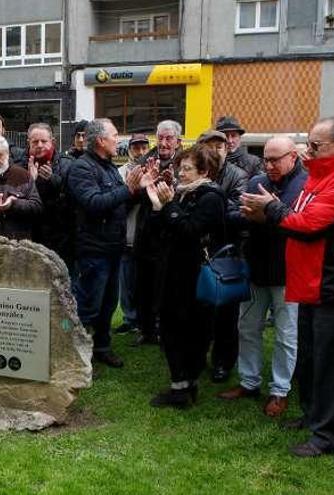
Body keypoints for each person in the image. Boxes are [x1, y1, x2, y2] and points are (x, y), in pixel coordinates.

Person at [242, 118, 334, 457]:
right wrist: (275, 212)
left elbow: (307, 223)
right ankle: (312, 417)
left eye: (316, 146)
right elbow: (296, 216)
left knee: (331, 362)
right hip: (311, 281)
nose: (309, 152)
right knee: (309, 357)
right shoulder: (320, 175)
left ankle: (327, 435)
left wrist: (270, 209)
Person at [218, 136, 306, 418]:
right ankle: (249, 381)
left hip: (288, 271)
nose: (269, 165)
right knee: (247, 327)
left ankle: (280, 390)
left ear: (292, 156)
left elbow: (300, 224)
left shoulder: (305, 184)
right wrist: (255, 215)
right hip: (256, 268)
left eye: (275, 159)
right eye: (266, 159)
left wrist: (266, 215)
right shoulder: (259, 180)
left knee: (286, 334)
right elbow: (233, 213)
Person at [146, 145, 227, 408]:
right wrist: (158, 208)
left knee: (190, 332)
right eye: (180, 167)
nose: (180, 173)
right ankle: (180, 385)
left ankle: (184, 387)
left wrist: (169, 207)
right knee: (171, 330)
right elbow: (162, 232)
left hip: (194, 277)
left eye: (187, 169)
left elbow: (191, 231)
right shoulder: (182, 194)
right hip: (173, 273)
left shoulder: (211, 197)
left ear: (204, 171)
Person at [67, 118, 146, 368]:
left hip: (113, 250)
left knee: (108, 305)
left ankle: (101, 347)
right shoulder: (82, 168)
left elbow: (119, 203)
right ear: (100, 140)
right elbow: (94, 203)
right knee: (86, 307)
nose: (118, 140)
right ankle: (73, 354)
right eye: (114, 135)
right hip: (93, 252)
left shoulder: (110, 167)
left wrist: (141, 189)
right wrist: (128, 189)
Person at [198, 129, 248, 383]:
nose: (216, 150)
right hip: (197, 250)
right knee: (200, 310)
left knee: (226, 313)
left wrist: (209, 206)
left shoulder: (237, 175)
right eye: (210, 146)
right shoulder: (194, 169)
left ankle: (223, 362)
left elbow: (238, 211)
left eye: (220, 146)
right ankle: (198, 355)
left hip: (225, 252)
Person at [131, 120, 183, 346]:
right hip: (146, 230)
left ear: (178, 142)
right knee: (143, 283)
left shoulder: (185, 162)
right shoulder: (145, 162)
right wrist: (144, 184)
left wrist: (174, 185)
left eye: (168, 138)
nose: (163, 143)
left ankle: (164, 329)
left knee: (167, 283)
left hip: (171, 232)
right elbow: (133, 195)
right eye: (160, 138)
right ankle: (145, 329)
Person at [26, 123, 75, 269]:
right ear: (29, 142)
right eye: (35, 142)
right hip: (30, 235)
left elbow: (74, 199)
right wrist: (30, 182)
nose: (40, 145)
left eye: (44, 141)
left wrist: (53, 180)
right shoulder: (19, 164)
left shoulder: (68, 164)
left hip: (60, 236)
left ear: (52, 141)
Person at [115, 133, 150, 335]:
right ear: (130, 150)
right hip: (127, 234)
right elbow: (119, 203)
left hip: (147, 237)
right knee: (126, 281)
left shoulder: (155, 170)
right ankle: (130, 318)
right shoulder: (120, 172)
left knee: (144, 281)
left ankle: (146, 320)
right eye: (136, 148)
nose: (140, 152)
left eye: (144, 147)